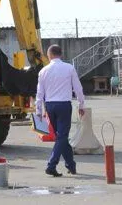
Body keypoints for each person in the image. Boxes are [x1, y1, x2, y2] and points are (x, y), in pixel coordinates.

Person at [35, 44, 85, 177]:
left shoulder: (43, 71)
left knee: (61, 137)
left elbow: (40, 93)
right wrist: (81, 105)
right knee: (62, 136)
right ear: (61, 54)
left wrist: (39, 110)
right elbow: (78, 89)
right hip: (64, 105)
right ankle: (51, 165)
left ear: (49, 55)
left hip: (50, 106)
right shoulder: (69, 68)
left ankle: (71, 166)